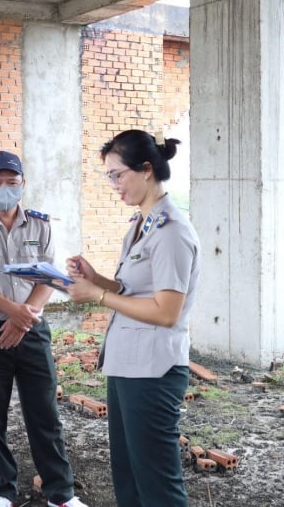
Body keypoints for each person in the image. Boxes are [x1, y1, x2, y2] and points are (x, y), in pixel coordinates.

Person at [64, 129, 200, 507]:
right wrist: (97, 280)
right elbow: (134, 290)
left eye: (117, 175)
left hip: (153, 371)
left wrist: (99, 295)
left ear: (146, 170)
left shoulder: (171, 231)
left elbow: (167, 311)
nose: (113, 185)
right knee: (129, 479)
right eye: (108, 176)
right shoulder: (141, 224)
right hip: (127, 365)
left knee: (157, 486)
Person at [0, 150, 89, 507]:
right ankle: (2, 492)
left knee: (44, 414)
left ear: (23, 184)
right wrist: (13, 312)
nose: (5, 189)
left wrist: (23, 319)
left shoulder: (40, 224)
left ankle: (61, 493)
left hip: (31, 331)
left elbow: (50, 278)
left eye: (12, 183)